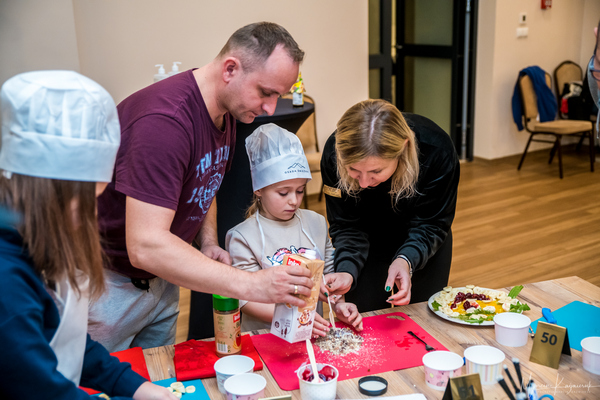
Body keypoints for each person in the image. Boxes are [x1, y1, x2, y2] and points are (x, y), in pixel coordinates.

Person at [89, 22, 315, 351]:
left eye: (278, 95)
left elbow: (202, 182)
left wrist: (206, 241)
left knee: (158, 379)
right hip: (109, 286)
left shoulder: (226, 112)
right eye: (266, 92)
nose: (270, 108)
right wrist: (252, 284)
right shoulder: (165, 123)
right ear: (230, 69)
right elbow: (146, 246)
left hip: (162, 280)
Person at [0, 71, 177, 399]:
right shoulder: (7, 286)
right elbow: (44, 390)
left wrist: (137, 388)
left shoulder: (27, 244)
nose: (90, 217)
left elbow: (68, 341)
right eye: (85, 202)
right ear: (48, 197)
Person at [321, 99, 460, 312]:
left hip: (423, 241)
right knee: (366, 319)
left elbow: (432, 222)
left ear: (403, 148)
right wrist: (347, 270)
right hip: (365, 245)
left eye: (376, 171)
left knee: (421, 319)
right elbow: (346, 225)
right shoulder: (334, 151)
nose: (364, 183)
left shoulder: (437, 150)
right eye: (353, 170)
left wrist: (406, 260)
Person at [225, 124, 363, 335]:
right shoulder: (242, 236)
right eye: (283, 193)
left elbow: (328, 278)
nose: (294, 201)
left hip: (309, 335)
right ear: (259, 189)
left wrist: (338, 304)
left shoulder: (316, 223)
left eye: (300, 191)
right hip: (263, 338)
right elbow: (246, 299)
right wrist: (296, 318)